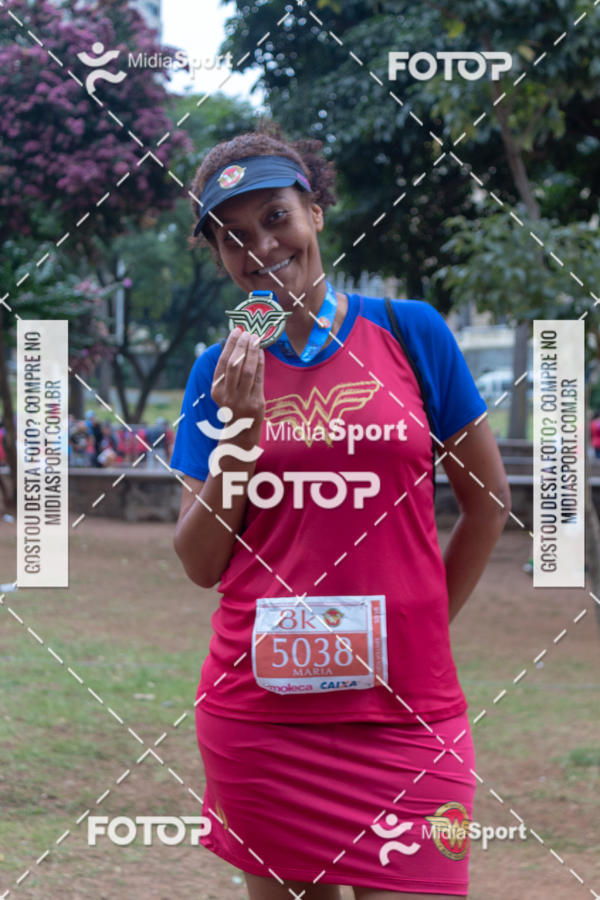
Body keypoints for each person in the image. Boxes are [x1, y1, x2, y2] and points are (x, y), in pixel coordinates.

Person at [171, 123, 511, 900]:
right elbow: (199, 564)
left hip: (407, 713)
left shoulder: (409, 331)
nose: (258, 246)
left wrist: (419, 626)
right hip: (263, 718)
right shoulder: (214, 371)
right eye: (231, 237)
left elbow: (488, 505)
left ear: (316, 213)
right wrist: (243, 432)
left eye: (276, 217)